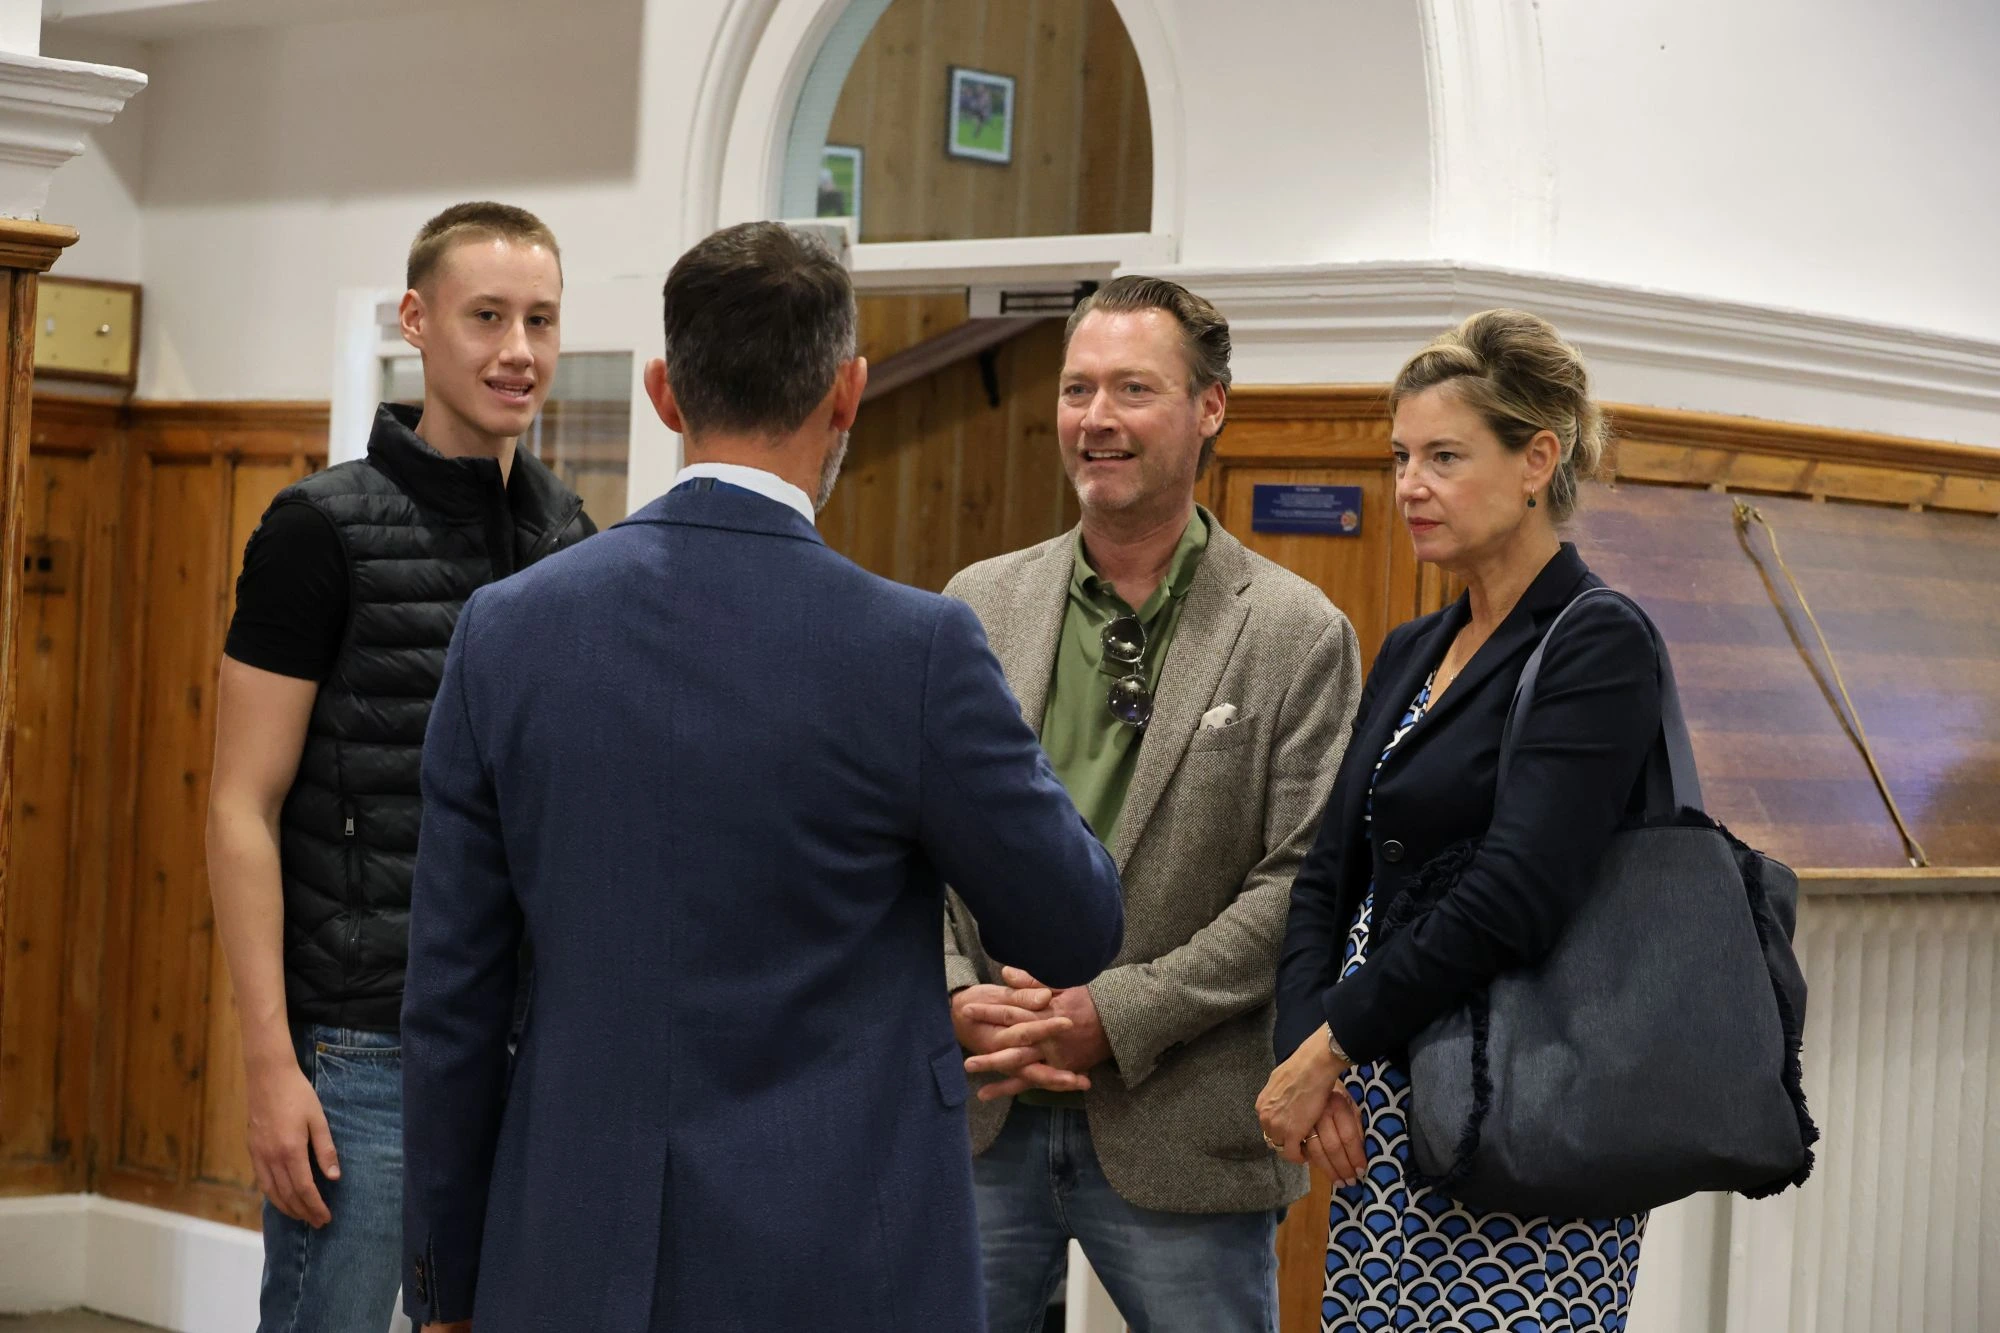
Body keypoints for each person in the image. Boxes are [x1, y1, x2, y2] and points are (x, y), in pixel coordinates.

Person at [397, 221, 1125, 1333]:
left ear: (663, 393)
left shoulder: (507, 631)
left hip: (568, 1250)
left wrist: (444, 1280)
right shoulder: (915, 650)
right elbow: (1073, 924)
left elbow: (452, 999)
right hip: (846, 1260)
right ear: (847, 393)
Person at [944, 274, 1363, 1333]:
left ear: (1208, 407)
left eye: (1133, 388)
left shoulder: (1292, 630)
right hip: (979, 1106)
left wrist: (1113, 1016)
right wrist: (953, 991)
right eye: (1077, 389)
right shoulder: (974, 607)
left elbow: (1299, 881)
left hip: (1183, 1128)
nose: (1096, 419)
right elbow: (909, 846)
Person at [204, 201, 594, 1333]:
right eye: (486, 316)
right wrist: (272, 1064)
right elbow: (240, 804)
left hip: (529, 1043)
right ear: (416, 322)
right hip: (359, 1051)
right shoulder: (317, 529)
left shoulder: (570, 531)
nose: (517, 350)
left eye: (540, 319)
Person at [1261, 309, 1658, 1332]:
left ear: (1537, 460)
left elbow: (1513, 895)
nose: (1408, 486)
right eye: (1399, 457)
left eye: (1442, 456)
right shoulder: (1407, 647)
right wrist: (1304, 1041)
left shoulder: (1596, 641)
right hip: (1381, 1109)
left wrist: (1328, 1048)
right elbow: (1326, 871)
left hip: (1522, 1104)